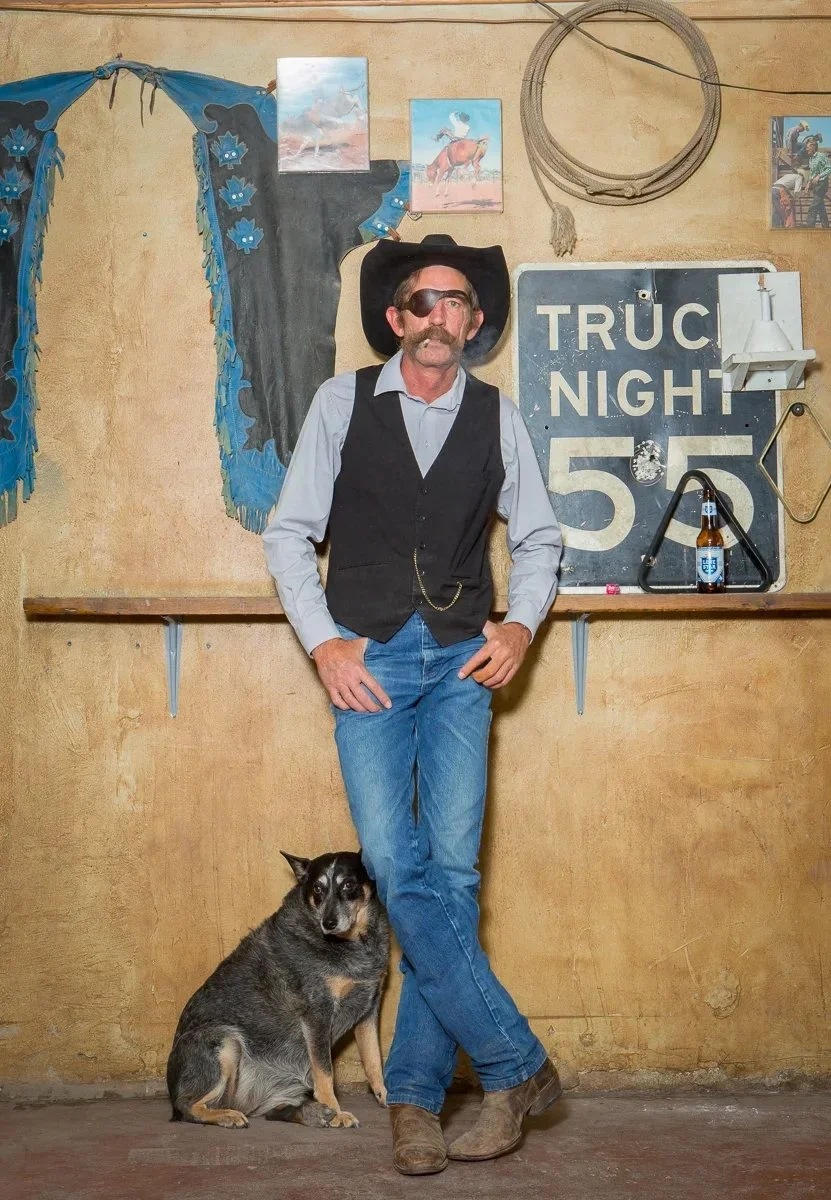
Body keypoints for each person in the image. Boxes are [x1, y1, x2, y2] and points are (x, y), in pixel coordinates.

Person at [263, 233, 563, 1176]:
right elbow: (288, 533)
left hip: (461, 667)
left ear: (475, 324)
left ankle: (415, 1106)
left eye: (458, 302)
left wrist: (517, 626)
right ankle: (519, 1065)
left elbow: (543, 537)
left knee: (452, 878)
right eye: (424, 301)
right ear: (396, 320)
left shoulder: (496, 415)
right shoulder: (341, 403)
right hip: (373, 665)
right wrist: (324, 642)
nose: (442, 316)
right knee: (398, 868)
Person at [805, 136, 831, 228]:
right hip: (816, 186)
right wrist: (809, 183)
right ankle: (826, 227)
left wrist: (819, 176)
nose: (806, 149)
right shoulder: (811, 159)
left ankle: (809, 228)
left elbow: (829, 168)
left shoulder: (821, 156)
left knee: (812, 208)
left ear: (813, 147)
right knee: (821, 208)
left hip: (822, 185)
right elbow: (812, 173)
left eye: (807, 147)